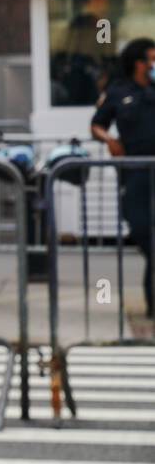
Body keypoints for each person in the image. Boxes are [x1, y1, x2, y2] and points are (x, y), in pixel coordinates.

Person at [90, 37, 155, 317]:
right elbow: (96, 124)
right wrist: (109, 140)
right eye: (150, 59)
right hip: (135, 173)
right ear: (137, 63)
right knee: (142, 231)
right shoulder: (118, 92)